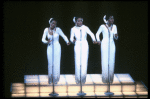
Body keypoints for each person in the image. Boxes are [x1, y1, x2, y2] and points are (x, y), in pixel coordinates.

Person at [42, 18, 70, 84]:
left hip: (57, 47)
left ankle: (56, 80)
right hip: (50, 47)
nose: (53, 24)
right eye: (52, 23)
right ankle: (50, 79)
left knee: (56, 63)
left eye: (54, 23)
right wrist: (46, 41)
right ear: (50, 23)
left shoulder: (58, 29)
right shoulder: (46, 30)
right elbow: (43, 39)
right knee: (50, 63)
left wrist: (67, 41)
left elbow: (64, 36)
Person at [70, 17, 97, 84]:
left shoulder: (85, 27)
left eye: (81, 21)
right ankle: (78, 80)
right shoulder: (73, 29)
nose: (80, 22)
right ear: (75, 22)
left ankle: (83, 80)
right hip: (77, 44)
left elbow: (91, 34)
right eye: (78, 21)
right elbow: (71, 38)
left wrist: (94, 40)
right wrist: (72, 40)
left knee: (84, 62)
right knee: (77, 62)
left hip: (84, 44)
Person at [96, 14, 118, 83]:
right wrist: (98, 40)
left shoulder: (114, 26)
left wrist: (116, 36)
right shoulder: (102, 26)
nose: (112, 20)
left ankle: (110, 79)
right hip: (104, 44)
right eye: (111, 18)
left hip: (112, 44)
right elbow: (97, 34)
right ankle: (105, 79)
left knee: (112, 61)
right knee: (105, 61)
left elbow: (116, 37)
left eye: (113, 18)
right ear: (107, 19)